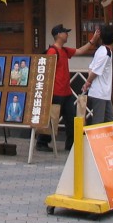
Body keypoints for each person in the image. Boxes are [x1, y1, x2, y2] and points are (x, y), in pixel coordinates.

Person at [36, 24, 98, 152]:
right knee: (51, 119)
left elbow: (80, 51)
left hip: (66, 91)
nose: (67, 34)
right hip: (55, 91)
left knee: (71, 118)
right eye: (65, 32)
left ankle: (71, 143)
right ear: (58, 34)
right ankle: (42, 142)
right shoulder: (52, 51)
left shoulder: (64, 50)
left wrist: (93, 40)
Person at [82, 23, 113, 125]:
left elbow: (91, 67)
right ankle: (94, 140)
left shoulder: (101, 50)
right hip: (100, 93)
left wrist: (89, 82)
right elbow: (95, 71)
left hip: (103, 92)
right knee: (98, 122)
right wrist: (88, 82)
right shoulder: (105, 54)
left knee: (111, 120)